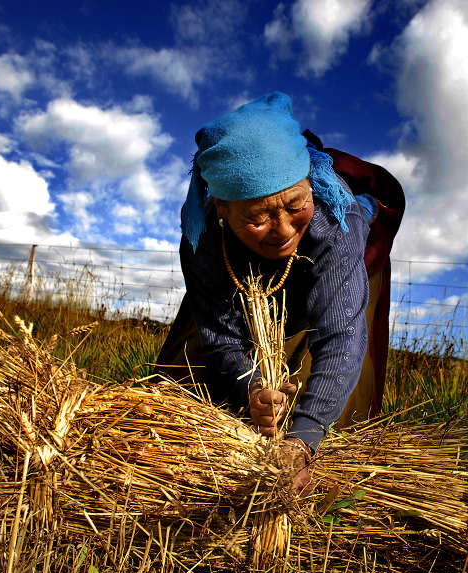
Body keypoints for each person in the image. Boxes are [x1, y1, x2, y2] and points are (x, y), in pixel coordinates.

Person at [156, 92, 404, 492]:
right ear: (221, 208)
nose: (285, 229)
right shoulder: (202, 242)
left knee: (335, 413)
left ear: (309, 185)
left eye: (294, 204)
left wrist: (301, 441)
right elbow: (221, 335)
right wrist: (251, 388)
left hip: (335, 274)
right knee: (192, 386)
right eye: (258, 217)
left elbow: (341, 336)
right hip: (240, 281)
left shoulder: (333, 220)